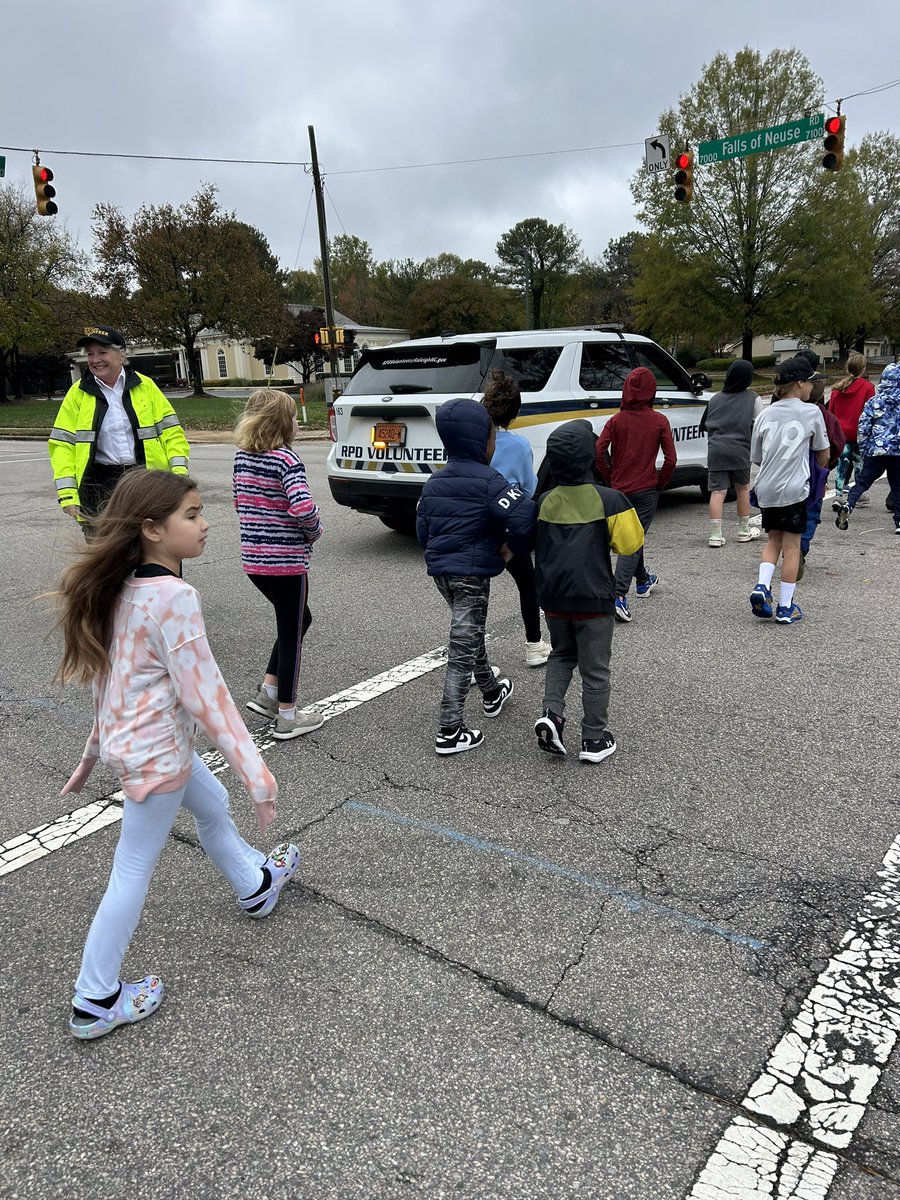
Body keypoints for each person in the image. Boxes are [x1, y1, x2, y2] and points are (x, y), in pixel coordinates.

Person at [53, 470, 296, 1041]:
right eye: (191, 514)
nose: (206, 523)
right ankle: (95, 999)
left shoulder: (121, 590)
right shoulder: (174, 597)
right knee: (131, 869)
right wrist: (258, 776)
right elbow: (206, 695)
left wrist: (93, 752)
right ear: (151, 530)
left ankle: (255, 883)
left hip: (143, 749)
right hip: (157, 759)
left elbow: (112, 685)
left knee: (210, 806)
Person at [416, 398, 536, 756]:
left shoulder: (434, 483)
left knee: (468, 634)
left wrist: (438, 552)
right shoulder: (490, 482)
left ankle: (491, 690)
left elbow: (424, 527)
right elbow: (525, 516)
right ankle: (450, 729)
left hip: (442, 573)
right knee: (462, 644)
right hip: (472, 573)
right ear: (483, 440)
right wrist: (514, 547)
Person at [533, 420, 644, 764]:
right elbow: (630, 544)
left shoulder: (543, 501)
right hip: (594, 599)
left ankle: (552, 715)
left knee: (561, 655)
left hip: (553, 599)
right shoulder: (610, 500)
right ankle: (594, 738)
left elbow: (527, 541)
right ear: (590, 458)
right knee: (595, 670)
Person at [233, 390, 326, 740]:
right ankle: (288, 714)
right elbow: (302, 507)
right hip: (285, 561)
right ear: (282, 423)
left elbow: (239, 501)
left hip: (254, 561)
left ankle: (269, 692)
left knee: (300, 619)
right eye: (293, 417)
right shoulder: (286, 460)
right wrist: (315, 531)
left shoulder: (243, 457)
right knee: (292, 635)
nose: (297, 423)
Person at [48, 326, 190, 530]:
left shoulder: (146, 387)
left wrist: (178, 476)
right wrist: (68, 494)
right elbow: (62, 446)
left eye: (102, 352)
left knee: (155, 549)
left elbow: (172, 433)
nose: (95, 360)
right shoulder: (77, 394)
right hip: (99, 486)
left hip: (146, 481)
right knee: (105, 555)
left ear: (121, 354)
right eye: (90, 354)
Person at [749, 357, 830, 624]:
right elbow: (823, 452)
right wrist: (817, 472)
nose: (813, 386)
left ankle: (762, 586)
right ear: (800, 383)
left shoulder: (764, 415)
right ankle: (785, 606)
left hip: (766, 488)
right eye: (810, 380)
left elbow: (757, 456)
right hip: (794, 488)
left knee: (773, 540)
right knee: (792, 547)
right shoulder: (811, 412)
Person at [595, 367, 676, 623]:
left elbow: (599, 451)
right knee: (633, 539)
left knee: (634, 535)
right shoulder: (659, 421)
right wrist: (659, 483)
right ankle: (619, 595)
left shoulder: (616, 420)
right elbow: (671, 459)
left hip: (619, 489)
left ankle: (642, 580)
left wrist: (609, 478)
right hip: (645, 489)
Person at [481, 369, 550, 667]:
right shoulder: (520, 446)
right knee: (527, 584)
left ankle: (474, 658)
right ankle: (534, 645)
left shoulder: (473, 441)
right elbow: (528, 489)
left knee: (476, 596)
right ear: (515, 412)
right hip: (507, 527)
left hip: (477, 525)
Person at [699, 359, 762, 547]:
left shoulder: (715, 399)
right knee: (742, 488)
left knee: (718, 491)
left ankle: (715, 535)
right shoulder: (753, 398)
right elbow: (759, 424)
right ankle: (743, 530)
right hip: (741, 450)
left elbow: (704, 425)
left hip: (716, 450)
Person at [834, 361, 900, 534]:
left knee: (862, 482)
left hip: (876, 449)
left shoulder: (874, 401)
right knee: (897, 485)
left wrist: (864, 448)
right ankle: (899, 521)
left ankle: (848, 505)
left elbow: (863, 427)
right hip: (897, 450)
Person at [798, 370, 844, 578]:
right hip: (816, 470)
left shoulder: (789, 414)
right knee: (811, 514)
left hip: (789, 471)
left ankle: (788, 549)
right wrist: (824, 469)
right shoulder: (826, 417)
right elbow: (836, 445)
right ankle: (801, 547)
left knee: (790, 512)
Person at [828, 352, 876, 510]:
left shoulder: (837, 389)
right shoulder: (868, 387)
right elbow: (870, 412)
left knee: (842, 464)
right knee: (859, 463)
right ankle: (857, 493)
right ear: (863, 369)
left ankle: (838, 495)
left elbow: (832, 412)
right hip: (858, 432)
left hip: (841, 432)